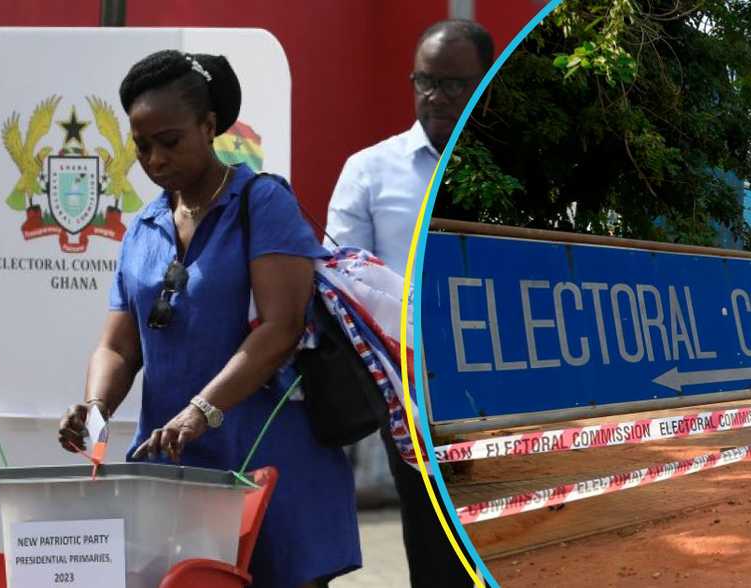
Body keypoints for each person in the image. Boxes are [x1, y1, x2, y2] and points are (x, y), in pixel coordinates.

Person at [57, 49, 359, 588]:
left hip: (269, 463)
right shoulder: (142, 228)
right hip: (176, 475)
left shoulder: (262, 204)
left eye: (169, 141)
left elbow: (281, 326)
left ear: (209, 125)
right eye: (142, 146)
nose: (154, 160)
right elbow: (119, 346)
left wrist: (201, 410)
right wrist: (97, 408)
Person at [325, 19, 493, 587]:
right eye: (425, 80)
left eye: (453, 84)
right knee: (434, 548)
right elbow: (341, 283)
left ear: (486, 84)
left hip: (501, 391)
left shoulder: (516, 175)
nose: (435, 96)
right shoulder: (370, 171)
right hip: (412, 399)